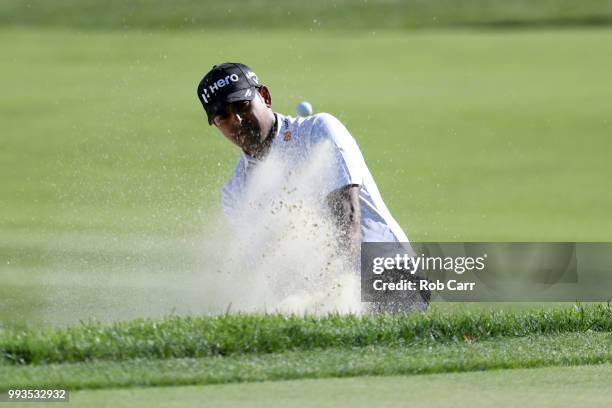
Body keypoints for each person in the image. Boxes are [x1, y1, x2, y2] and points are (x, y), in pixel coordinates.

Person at [197, 62, 429, 312]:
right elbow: (272, 263)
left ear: (264, 97)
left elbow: (346, 219)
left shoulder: (318, 131)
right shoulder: (235, 192)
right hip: (322, 296)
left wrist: (339, 293)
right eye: (223, 117)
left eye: (242, 106)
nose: (238, 120)